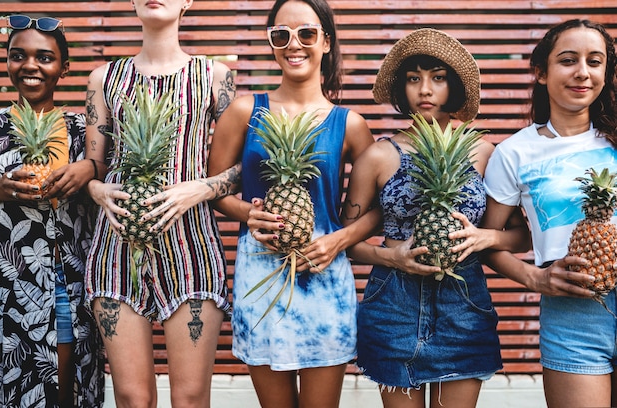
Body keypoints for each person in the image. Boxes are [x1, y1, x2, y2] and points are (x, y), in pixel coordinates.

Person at [340, 28, 531, 408]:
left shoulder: (483, 152)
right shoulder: (380, 156)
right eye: (414, 79)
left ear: (454, 86)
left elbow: (521, 236)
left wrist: (485, 238)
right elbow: (347, 241)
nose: (425, 90)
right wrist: (390, 256)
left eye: (437, 78)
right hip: (392, 302)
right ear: (401, 88)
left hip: (463, 302)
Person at [207, 0, 374, 406]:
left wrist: (338, 240)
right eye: (281, 35)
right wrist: (250, 213)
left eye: (307, 33)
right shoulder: (245, 111)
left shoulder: (349, 124)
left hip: (324, 272)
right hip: (259, 274)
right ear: (271, 43)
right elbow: (215, 191)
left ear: (326, 42)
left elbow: (377, 209)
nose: (293, 44)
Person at [83, 0, 239, 406]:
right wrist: (96, 190)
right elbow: (92, 167)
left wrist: (202, 188)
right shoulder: (103, 78)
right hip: (117, 241)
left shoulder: (215, 76)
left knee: (189, 398)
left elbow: (245, 165)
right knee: (133, 398)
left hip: (192, 243)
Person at [481, 19, 617, 408]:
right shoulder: (514, 152)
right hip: (573, 309)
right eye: (568, 60)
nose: (582, 73)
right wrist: (534, 278)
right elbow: (488, 241)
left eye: (595, 61)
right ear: (541, 72)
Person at [0, 15, 104, 407]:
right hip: (8, 285)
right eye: (18, 55)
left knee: (68, 380)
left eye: (44, 57)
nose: (31, 66)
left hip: (69, 281)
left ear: (63, 67)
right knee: (14, 380)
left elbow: (111, 177)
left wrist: (90, 167)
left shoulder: (82, 132)